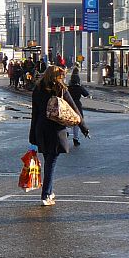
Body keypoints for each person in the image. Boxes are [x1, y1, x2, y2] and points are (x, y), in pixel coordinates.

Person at [30, 65, 89, 207]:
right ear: (57, 76)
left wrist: (32, 135)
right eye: (61, 76)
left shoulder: (37, 90)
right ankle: (46, 194)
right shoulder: (61, 89)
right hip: (56, 130)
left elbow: (34, 114)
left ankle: (49, 191)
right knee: (51, 162)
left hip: (41, 129)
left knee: (48, 161)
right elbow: (75, 110)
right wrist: (83, 128)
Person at [67, 67, 90, 147]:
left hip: (68, 105)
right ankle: (75, 139)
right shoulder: (79, 88)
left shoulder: (68, 88)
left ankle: (66, 132)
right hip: (77, 105)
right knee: (77, 122)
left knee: (67, 120)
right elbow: (86, 94)